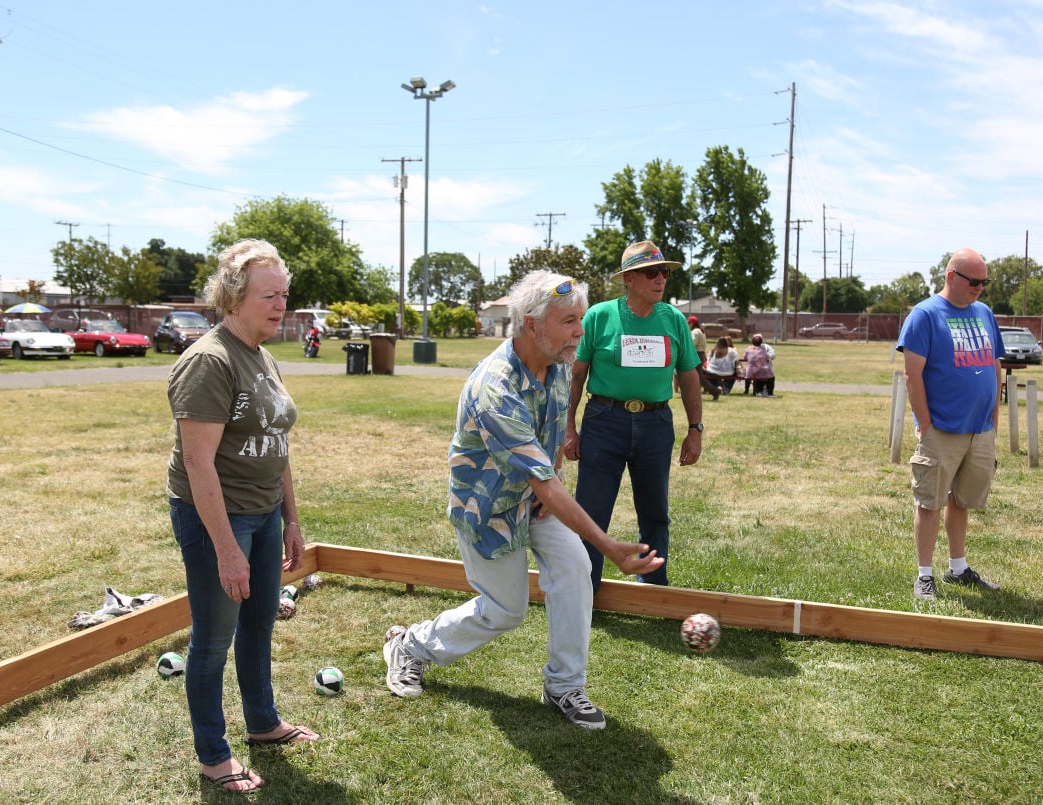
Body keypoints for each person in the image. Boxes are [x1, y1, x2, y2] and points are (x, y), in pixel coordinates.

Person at [382, 270, 663, 730]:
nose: (580, 331)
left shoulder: (557, 367)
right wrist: (610, 546)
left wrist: (551, 484)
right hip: (487, 506)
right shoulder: (495, 387)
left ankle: (565, 684)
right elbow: (544, 481)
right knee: (505, 610)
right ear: (533, 325)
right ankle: (411, 645)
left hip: (534, 499)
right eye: (569, 321)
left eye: (582, 320)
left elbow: (549, 444)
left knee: (575, 564)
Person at [166, 239, 318, 794]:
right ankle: (213, 756)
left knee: (257, 626)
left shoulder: (262, 352)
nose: (281, 305)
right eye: (269, 295)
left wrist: (292, 518)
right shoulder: (209, 360)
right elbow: (199, 466)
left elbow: (278, 443)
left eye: (284, 294)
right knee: (212, 637)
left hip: (264, 513)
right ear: (233, 296)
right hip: (217, 518)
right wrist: (227, 548)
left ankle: (263, 724)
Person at [564, 240, 704, 593]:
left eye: (664, 272)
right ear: (629, 279)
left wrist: (695, 429)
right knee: (592, 512)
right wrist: (569, 427)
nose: (660, 279)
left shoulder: (673, 319)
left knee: (655, 512)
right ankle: (584, 590)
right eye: (650, 272)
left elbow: (689, 376)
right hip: (603, 421)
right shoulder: (599, 316)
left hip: (656, 425)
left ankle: (654, 589)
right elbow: (576, 375)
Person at [897, 248, 1005, 601]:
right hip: (941, 429)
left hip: (979, 430)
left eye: (984, 282)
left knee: (962, 501)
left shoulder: (985, 313)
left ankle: (958, 568)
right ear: (951, 277)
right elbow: (913, 375)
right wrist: (926, 425)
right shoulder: (925, 315)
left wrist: (993, 419)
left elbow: (994, 365)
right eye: (973, 281)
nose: (979, 288)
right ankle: (924, 575)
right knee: (930, 502)